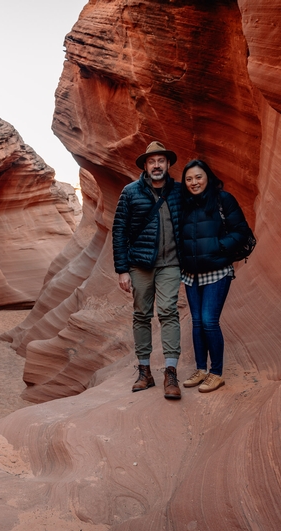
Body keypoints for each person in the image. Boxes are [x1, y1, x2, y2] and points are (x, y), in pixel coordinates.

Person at [112, 141, 183, 400]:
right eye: (152, 161)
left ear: (167, 164)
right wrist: (122, 270)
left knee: (168, 312)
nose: (156, 165)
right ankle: (145, 371)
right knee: (142, 315)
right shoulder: (130, 192)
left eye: (161, 161)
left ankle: (171, 372)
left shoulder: (178, 191)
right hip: (140, 264)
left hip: (171, 264)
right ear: (145, 165)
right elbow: (119, 231)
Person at [177, 159, 252, 393]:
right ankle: (201, 369)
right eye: (189, 179)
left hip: (217, 271)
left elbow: (241, 231)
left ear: (207, 176)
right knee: (197, 322)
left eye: (198, 177)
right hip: (191, 274)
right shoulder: (183, 203)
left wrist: (219, 247)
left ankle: (216, 373)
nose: (194, 182)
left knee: (209, 321)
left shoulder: (223, 199)